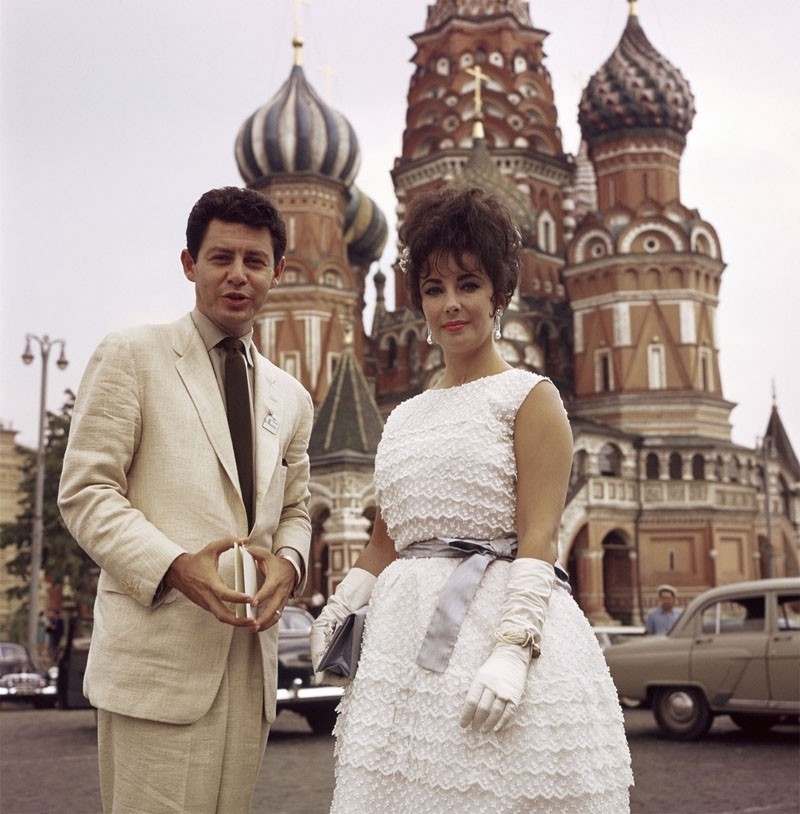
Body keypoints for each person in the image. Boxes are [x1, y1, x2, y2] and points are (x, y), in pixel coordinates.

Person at [310, 187, 633, 813]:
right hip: (402, 648)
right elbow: (386, 539)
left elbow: (540, 536)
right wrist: (340, 606)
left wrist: (513, 651)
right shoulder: (402, 416)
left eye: (468, 284)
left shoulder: (529, 397)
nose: (451, 304)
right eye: (433, 288)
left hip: (492, 628)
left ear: (499, 296)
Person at [58, 186, 314, 814]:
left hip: (250, 665)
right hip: (159, 664)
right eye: (220, 257)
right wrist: (173, 565)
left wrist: (290, 563)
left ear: (277, 272)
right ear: (188, 263)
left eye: (255, 261)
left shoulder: (291, 396)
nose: (237, 275)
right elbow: (86, 491)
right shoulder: (132, 356)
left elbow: (297, 511)